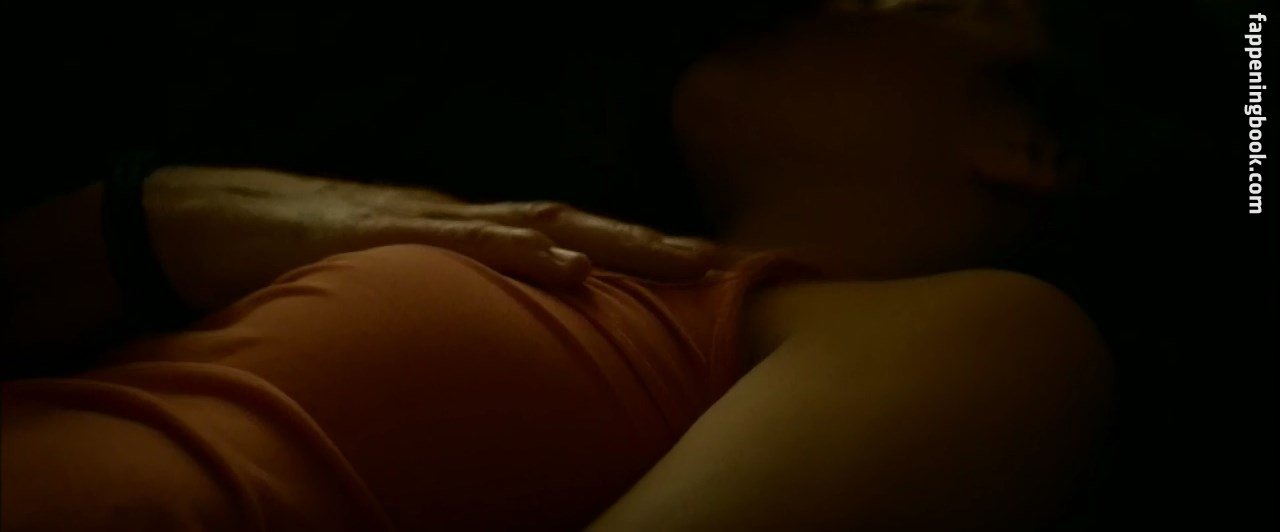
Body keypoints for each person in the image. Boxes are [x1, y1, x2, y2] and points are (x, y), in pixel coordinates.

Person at [2, 0, 1256, 529]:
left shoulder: (990, 337)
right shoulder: (574, 256)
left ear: (1032, 144)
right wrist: (145, 223)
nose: (846, 3)